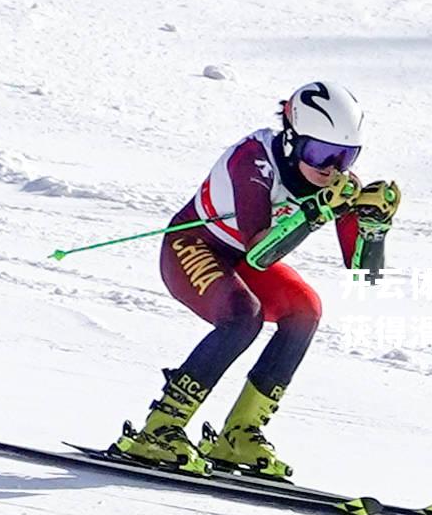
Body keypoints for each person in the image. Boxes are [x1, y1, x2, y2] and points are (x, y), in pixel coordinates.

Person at [110, 81, 400, 478]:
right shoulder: (252, 159)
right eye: (320, 153)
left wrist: (374, 226)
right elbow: (260, 252)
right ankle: (159, 428)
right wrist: (316, 212)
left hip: (245, 260)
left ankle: (240, 434)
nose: (331, 168)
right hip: (193, 247)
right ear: (292, 140)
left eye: (346, 156)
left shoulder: (333, 183)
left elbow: (364, 274)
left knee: (305, 310)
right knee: (243, 315)